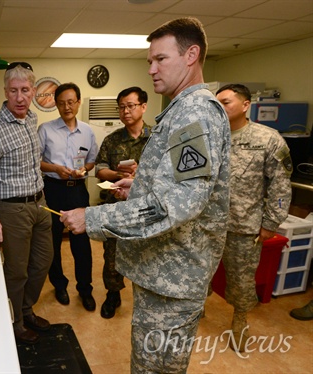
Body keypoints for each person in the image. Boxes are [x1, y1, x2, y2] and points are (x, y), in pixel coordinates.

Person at [61, 17, 231, 373]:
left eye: (160, 59)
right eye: (149, 61)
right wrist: (136, 187)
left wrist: (92, 217)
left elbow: (177, 205)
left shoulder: (195, 113)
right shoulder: (181, 110)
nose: (151, 69)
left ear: (191, 55)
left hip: (175, 278)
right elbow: (178, 187)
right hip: (162, 272)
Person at [0, 62, 53, 345]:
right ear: (5, 91)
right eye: (13, 91)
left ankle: (26, 309)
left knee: (43, 262)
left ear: (33, 91)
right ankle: (14, 321)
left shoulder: (31, 119)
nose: (19, 97)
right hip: (11, 209)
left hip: (39, 204)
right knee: (16, 271)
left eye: (25, 90)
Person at [214, 83, 292, 350]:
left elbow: (281, 187)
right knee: (200, 274)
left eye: (226, 102)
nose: (220, 108)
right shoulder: (211, 137)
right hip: (207, 224)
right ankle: (197, 311)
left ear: (246, 105)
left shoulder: (267, 139)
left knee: (241, 281)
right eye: (217, 103)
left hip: (243, 227)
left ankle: (240, 321)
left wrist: (271, 222)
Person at [38, 82, 98, 311]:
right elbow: (36, 161)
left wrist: (84, 169)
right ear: (56, 104)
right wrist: (55, 168)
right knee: (52, 241)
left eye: (71, 102)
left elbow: (92, 159)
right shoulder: (46, 129)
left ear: (78, 102)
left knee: (81, 242)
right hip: (52, 188)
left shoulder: (88, 131)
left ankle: (85, 289)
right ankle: (59, 285)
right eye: (61, 103)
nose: (66, 107)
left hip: (77, 190)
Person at [94, 86, 151, 319]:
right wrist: (118, 175)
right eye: (121, 107)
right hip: (116, 208)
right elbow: (99, 170)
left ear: (143, 107)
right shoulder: (112, 140)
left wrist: (140, 176)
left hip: (147, 210)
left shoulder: (157, 138)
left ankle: (146, 298)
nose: (125, 111)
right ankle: (113, 294)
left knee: (147, 256)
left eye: (130, 106)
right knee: (113, 255)